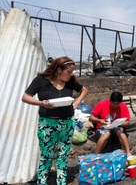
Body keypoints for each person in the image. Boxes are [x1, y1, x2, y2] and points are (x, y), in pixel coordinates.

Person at [22, 56, 88, 185]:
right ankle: (42, 182)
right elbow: (25, 97)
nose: (71, 74)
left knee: (63, 155)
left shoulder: (70, 81)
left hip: (67, 123)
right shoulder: (41, 81)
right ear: (59, 69)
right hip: (48, 124)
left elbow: (84, 90)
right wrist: (41, 103)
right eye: (68, 72)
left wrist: (76, 102)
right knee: (46, 155)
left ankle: (61, 182)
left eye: (72, 72)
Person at [89, 91, 132, 157]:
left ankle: (128, 153)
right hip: (103, 127)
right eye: (113, 103)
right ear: (110, 100)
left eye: (117, 104)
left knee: (120, 132)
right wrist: (100, 120)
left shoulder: (123, 106)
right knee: (106, 134)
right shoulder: (102, 104)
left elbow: (127, 122)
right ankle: (96, 155)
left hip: (116, 127)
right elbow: (91, 118)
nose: (115, 105)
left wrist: (121, 123)